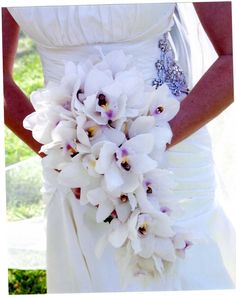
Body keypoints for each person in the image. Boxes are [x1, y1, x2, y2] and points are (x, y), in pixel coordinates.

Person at [3, 2, 235, 293]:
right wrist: (68, 161)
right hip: (74, 164)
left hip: (171, 151)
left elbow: (231, 56)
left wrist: (151, 143)